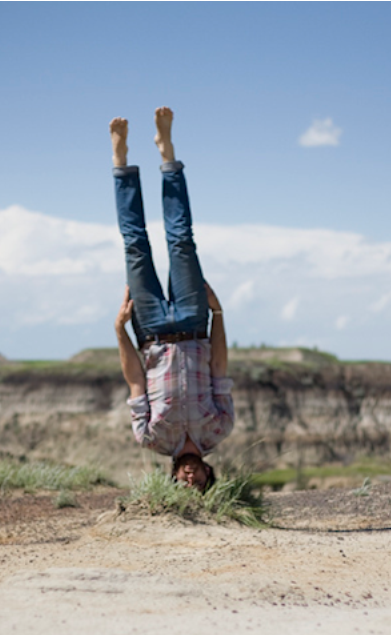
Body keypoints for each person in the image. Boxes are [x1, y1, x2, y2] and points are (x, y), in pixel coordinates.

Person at [111, 107, 234, 492]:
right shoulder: (220, 427)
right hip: (195, 321)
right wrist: (217, 313)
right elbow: (219, 366)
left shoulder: (150, 437)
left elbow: (134, 380)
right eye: (198, 481)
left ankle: (121, 165)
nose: (190, 476)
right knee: (181, 241)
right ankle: (167, 155)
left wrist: (119, 331)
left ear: (173, 476)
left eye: (184, 482)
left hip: (149, 330)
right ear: (210, 475)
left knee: (135, 246)